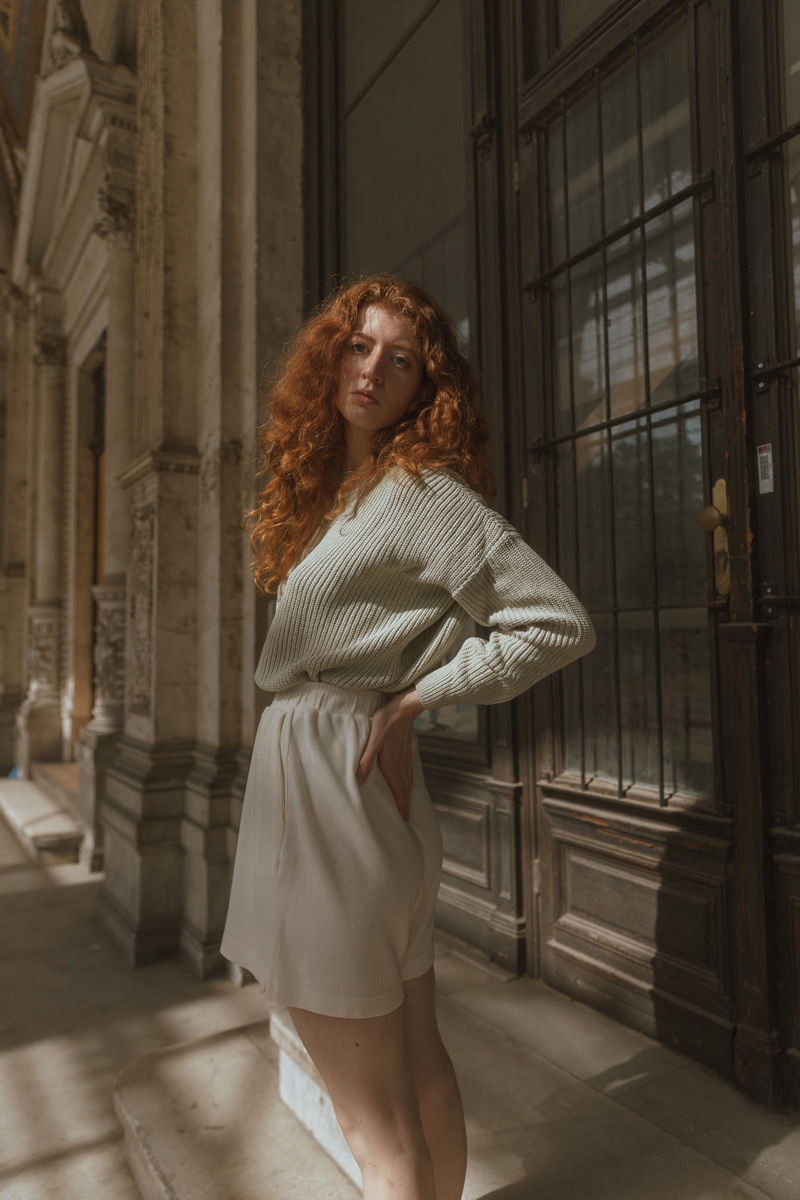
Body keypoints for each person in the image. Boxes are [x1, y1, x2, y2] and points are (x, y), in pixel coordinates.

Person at [220, 275, 596, 1200]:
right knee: (417, 1064)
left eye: (401, 359)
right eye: (359, 346)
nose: (373, 369)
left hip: (335, 788)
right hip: (335, 789)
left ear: (427, 387)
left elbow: (556, 621)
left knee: (370, 1119)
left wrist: (422, 697)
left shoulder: (422, 494)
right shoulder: (342, 492)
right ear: (330, 358)